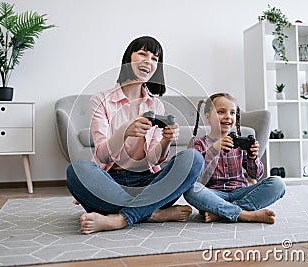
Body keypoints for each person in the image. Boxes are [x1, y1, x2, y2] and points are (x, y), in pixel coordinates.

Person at [66, 36, 204, 234]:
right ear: (128, 59)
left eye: (155, 58)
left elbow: (154, 158)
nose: (149, 61)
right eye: (142, 54)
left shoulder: (156, 105)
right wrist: (124, 131)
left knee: (193, 158)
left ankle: (121, 218)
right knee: (76, 170)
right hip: (111, 180)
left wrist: (165, 140)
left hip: (148, 182)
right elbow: (103, 155)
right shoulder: (100, 100)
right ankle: (153, 213)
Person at [184, 93, 286, 224]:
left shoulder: (239, 142)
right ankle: (246, 215)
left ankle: (222, 213)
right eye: (221, 112)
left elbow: (256, 175)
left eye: (232, 113)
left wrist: (252, 157)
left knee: (278, 183)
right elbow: (196, 176)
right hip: (214, 194)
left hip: (240, 191)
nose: (228, 116)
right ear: (208, 117)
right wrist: (214, 149)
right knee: (191, 190)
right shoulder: (199, 144)